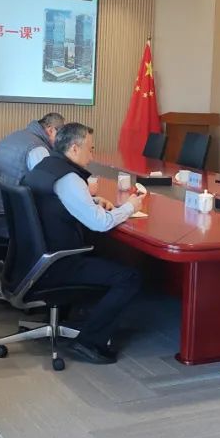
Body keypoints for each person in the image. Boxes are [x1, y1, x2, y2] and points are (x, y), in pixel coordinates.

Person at [23, 122, 146, 365]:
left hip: (34, 258)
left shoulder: (45, 166)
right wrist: (130, 207)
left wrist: (91, 201)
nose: (92, 156)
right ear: (74, 148)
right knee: (129, 277)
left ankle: (73, 315)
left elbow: (56, 202)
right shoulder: (70, 178)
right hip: (57, 264)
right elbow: (100, 223)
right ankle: (90, 342)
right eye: (90, 149)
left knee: (106, 255)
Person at [0, 113, 66, 218]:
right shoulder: (37, 149)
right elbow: (48, 188)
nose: (61, 141)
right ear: (51, 130)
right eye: (61, 135)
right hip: (6, 217)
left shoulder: (15, 135)